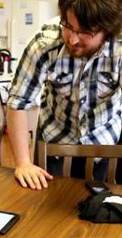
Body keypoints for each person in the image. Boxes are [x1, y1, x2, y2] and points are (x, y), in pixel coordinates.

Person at [7, 0, 122, 190]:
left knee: (98, 208)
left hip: (104, 139)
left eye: (85, 32)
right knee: (45, 206)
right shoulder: (45, 44)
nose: (72, 39)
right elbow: (18, 102)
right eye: (68, 26)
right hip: (55, 138)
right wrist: (23, 163)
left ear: (107, 30)